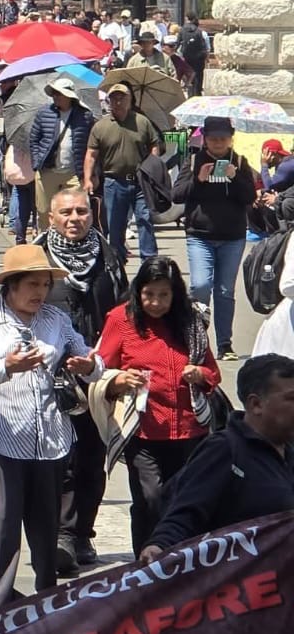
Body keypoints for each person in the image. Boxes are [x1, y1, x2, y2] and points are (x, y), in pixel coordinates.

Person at [0, 244, 102, 612]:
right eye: (32, 284)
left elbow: (86, 356)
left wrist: (87, 366)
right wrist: (6, 367)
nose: (40, 292)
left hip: (50, 436)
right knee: (2, 520)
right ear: (11, 285)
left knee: (45, 520)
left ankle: (46, 595)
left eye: (45, 284)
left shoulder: (55, 320)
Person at [96, 256, 221, 557]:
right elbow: (99, 369)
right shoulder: (120, 319)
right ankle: (145, 565)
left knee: (185, 500)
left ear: (175, 293)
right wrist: (120, 380)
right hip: (142, 431)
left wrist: (199, 374)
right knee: (149, 499)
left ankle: (181, 564)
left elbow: (212, 374)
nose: (155, 302)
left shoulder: (190, 321)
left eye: (164, 295)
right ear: (138, 291)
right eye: (149, 294)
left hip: (190, 431)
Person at [32, 186, 127, 573]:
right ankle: (60, 535)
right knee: (61, 459)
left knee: (91, 455)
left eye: (82, 212)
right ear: (51, 217)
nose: (75, 219)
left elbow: (122, 311)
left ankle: (82, 532)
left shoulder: (107, 255)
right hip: (46, 373)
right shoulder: (35, 256)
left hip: (96, 370)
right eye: (66, 213)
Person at [139, 353, 294, 561]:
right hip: (239, 585)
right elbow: (186, 512)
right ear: (256, 404)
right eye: (292, 398)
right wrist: (159, 546)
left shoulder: (288, 452)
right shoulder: (224, 450)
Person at [174, 115, 257, 360]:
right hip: (200, 235)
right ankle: (197, 339)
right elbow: (176, 195)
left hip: (232, 237)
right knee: (200, 286)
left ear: (231, 139)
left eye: (223, 138)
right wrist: (197, 180)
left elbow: (250, 197)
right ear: (205, 139)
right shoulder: (192, 160)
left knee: (224, 291)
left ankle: (224, 344)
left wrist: (236, 177)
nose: (218, 142)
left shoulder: (240, 162)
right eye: (213, 138)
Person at [83, 83, 161, 265]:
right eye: (114, 98)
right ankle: (116, 262)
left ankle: (150, 262)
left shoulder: (142, 122)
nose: (118, 102)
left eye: (122, 97)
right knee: (115, 225)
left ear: (130, 99)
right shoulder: (100, 126)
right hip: (113, 182)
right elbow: (91, 154)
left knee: (145, 219)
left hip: (141, 180)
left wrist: (152, 165)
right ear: (108, 101)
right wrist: (88, 178)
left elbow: (154, 144)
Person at [29, 78, 93, 222]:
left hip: (74, 173)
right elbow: (34, 140)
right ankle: (45, 241)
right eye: (54, 94)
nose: (55, 97)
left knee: (75, 210)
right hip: (47, 170)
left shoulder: (85, 116)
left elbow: (91, 145)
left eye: (59, 93)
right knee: (45, 212)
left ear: (69, 96)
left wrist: (91, 173)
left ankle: (72, 242)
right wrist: (36, 162)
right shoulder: (44, 113)